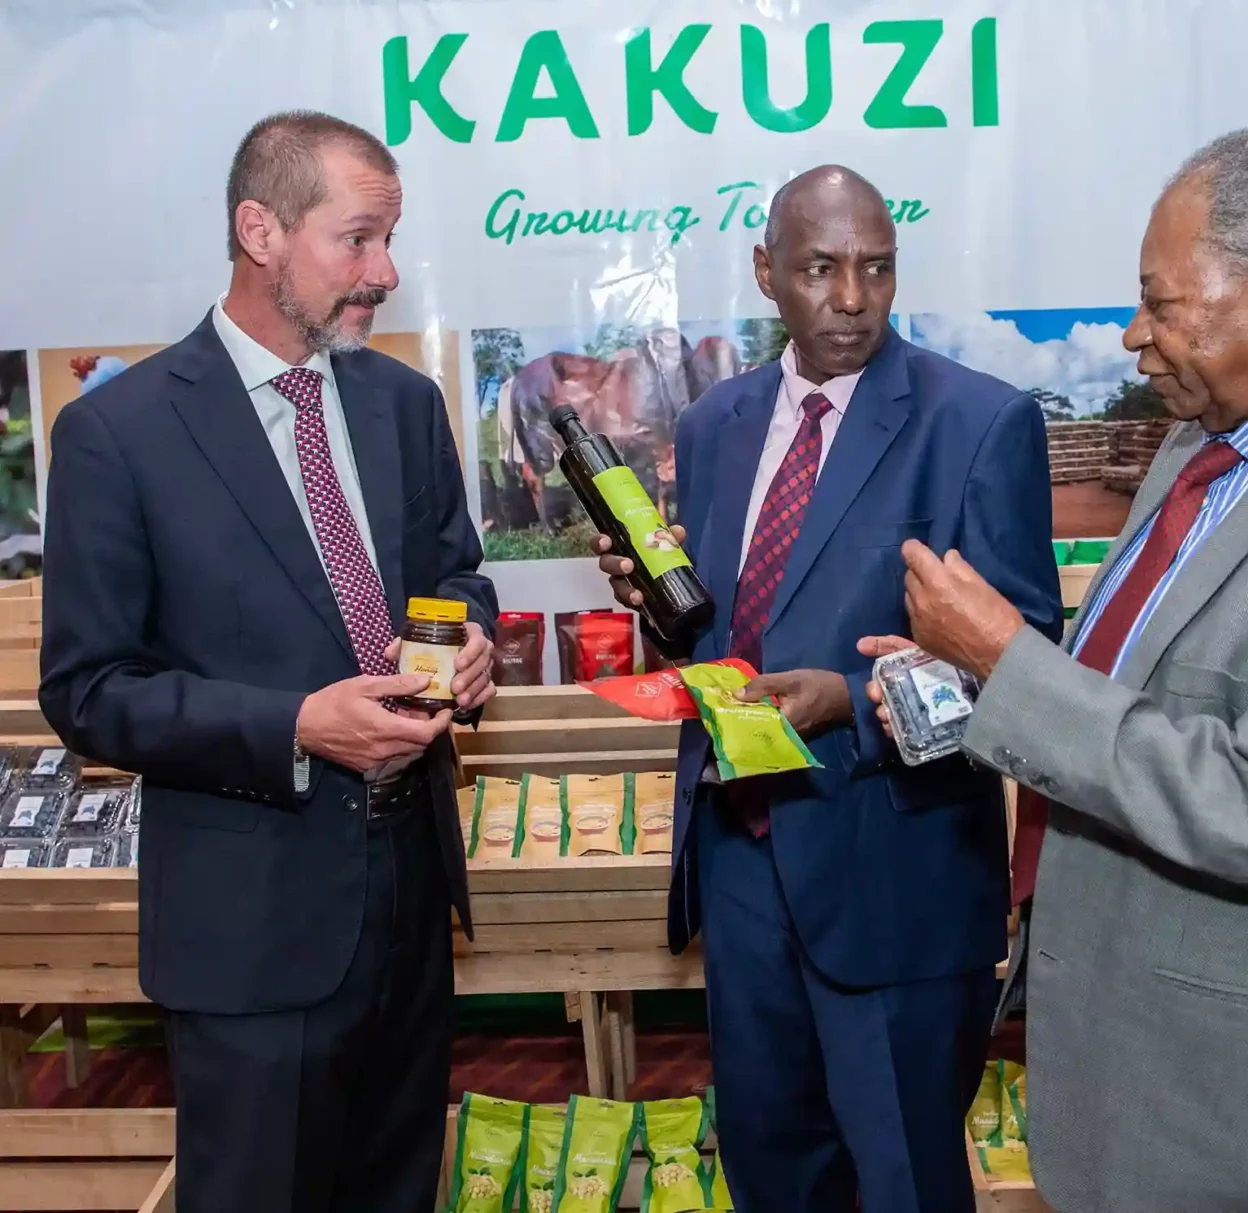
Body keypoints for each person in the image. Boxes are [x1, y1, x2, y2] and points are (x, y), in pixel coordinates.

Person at [863, 128, 1248, 1213]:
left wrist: (1010, 661)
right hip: (1132, 1058)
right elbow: (1141, 703)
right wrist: (976, 682)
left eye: (1162, 305)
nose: (1132, 335)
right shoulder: (1196, 449)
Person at [39, 111, 497, 1213]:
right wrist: (295, 723)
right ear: (260, 229)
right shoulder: (124, 435)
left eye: (391, 241)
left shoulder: (402, 405)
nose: (384, 273)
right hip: (247, 926)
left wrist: (470, 642)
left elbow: (457, 577)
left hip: (408, 899)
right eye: (358, 239)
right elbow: (90, 690)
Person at [596, 165, 1061, 1212]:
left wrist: (851, 700)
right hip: (741, 857)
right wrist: (655, 598)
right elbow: (721, 629)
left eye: (876, 269)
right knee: (773, 1169)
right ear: (767, 273)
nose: (852, 296)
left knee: (901, 1177)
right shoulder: (716, 422)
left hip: (895, 869)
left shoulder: (979, 422)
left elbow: (1020, 672)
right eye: (819, 268)